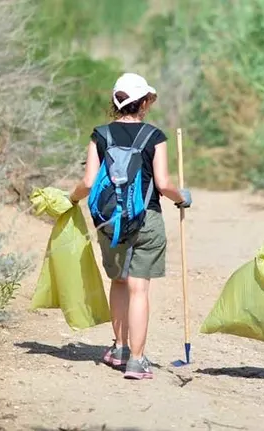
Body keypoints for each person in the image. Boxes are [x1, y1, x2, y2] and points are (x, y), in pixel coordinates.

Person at [68, 72, 192, 380]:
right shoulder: (155, 136)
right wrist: (182, 198)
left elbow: (88, 181)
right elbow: (162, 185)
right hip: (146, 219)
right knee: (140, 289)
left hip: (110, 222)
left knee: (120, 283)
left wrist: (70, 199)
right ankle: (137, 360)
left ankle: (120, 348)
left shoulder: (100, 135)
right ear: (145, 103)